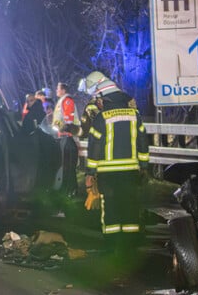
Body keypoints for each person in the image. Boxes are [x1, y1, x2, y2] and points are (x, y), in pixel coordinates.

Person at [78, 71, 149, 240]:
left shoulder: (101, 118)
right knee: (130, 207)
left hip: (108, 174)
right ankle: (130, 243)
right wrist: (144, 167)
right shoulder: (135, 115)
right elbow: (143, 143)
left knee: (111, 209)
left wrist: (90, 173)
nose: (98, 103)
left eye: (98, 99)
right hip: (131, 172)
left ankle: (113, 244)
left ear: (104, 98)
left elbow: (94, 148)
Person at [51, 82, 80, 196]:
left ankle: (70, 190)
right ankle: (69, 189)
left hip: (67, 137)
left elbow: (68, 121)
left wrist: (59, 126)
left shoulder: (67, 101)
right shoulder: (62, 101)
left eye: (58, 88)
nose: (56, 90)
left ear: (63, 90)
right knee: (65, 166)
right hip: (63, 137)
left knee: (68, 166)